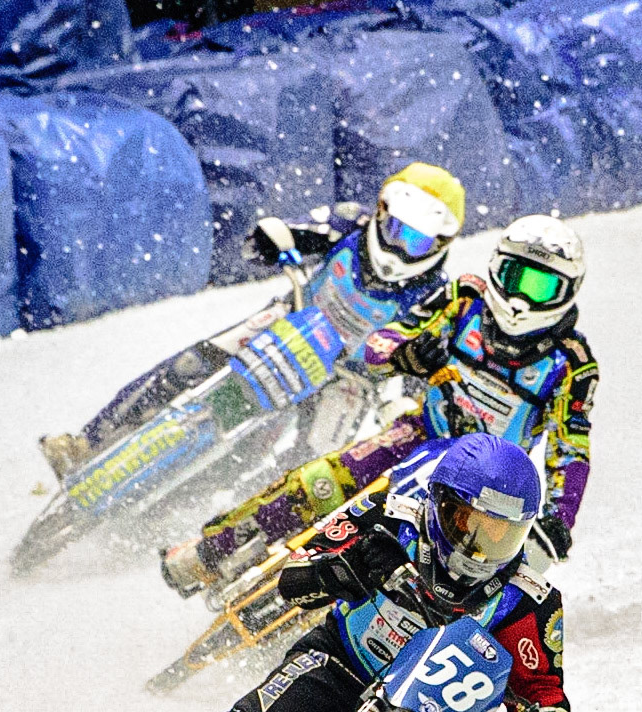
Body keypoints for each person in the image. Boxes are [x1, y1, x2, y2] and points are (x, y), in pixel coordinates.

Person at [35, 434, 591, 712]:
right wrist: (342, 571)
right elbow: (295, 576)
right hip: (337, 665)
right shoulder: (390, 517)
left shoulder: (530, 601)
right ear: (439, 503)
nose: (479, 548)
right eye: (468, 523)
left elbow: (538, 686)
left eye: (501, 534)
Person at [159, 213, 598, 598]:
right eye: (515, 277)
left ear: (568, 292)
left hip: (486, 481)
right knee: (318, 481)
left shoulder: (572, 365)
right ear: (496, 268)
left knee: (463, 562)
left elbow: (570, 450)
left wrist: (559, 520)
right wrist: (405, 355)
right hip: (419, 434)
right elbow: (381, 341)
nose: (521, 299)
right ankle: (210, 552)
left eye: (542, 286)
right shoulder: (463, 299)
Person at [37, 162, 467, 480]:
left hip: (350, 377)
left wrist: (406, 399)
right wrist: (270, 238)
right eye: (396, 229)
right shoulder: (349, 221)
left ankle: (226, 520)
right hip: (292, 318)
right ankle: (87, 443)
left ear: (440, 244)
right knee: (191, 363)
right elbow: (292, 230)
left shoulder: (435, 296)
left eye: (416, 240)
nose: (399, 247)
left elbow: (422, 360)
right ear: (381, 212)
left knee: (313, 465)